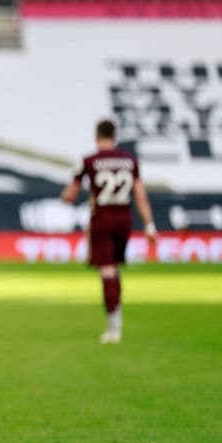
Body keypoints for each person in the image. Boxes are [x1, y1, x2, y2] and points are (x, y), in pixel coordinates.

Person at [60, 119, 158, 343]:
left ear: (96, 136)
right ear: (115, 136)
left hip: (102, 219)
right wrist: (150, 225)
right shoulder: (129, 160)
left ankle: (114, 326)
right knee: (114, 268)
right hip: (124, 218)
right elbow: (140, 195)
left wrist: (65, 195)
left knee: (107, 271)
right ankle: (117, 316)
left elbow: (71, 195)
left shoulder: (89, 161)